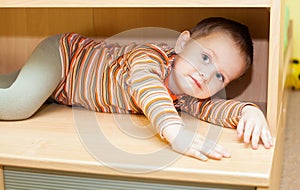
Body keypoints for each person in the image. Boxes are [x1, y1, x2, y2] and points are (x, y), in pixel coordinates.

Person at [0, 17, 273, 161]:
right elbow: (146, 85)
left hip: (57, 91)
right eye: (205, 57)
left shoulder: (188, 97)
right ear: (181, 43)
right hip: (64, 58)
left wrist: (248, 112)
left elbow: (214, 110)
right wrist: (174, 130)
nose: (206, 74)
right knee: (18, 104)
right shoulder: (149, 57)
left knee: (11, 86)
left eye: (220, 76)